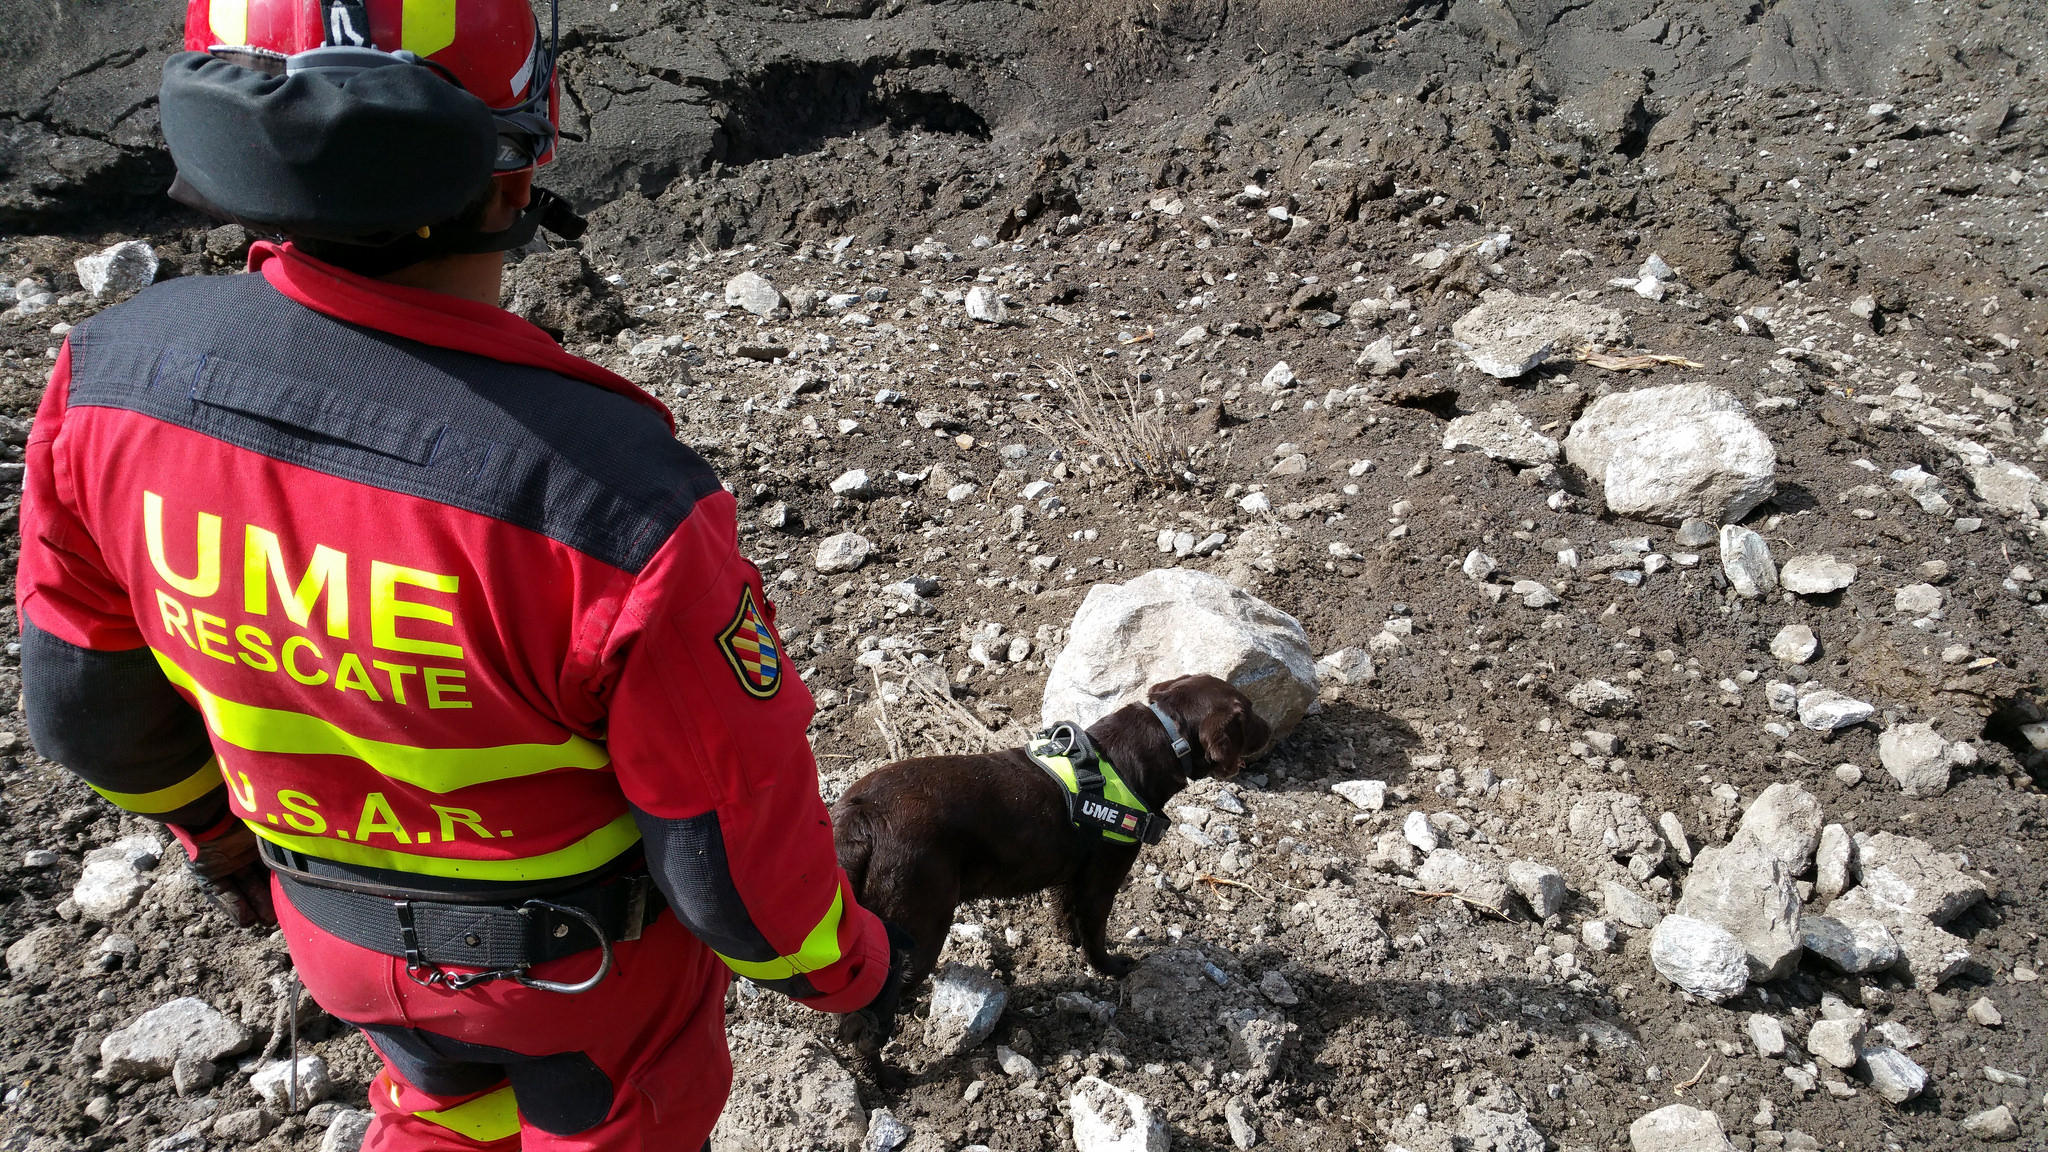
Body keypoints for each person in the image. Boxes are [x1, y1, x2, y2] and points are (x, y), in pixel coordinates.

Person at [16, 0, 906, 1146]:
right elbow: (728, 868)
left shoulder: (103, 379)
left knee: (437, 1113)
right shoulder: (614, 502)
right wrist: (847, 967)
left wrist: (221, 843)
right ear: (514, 174)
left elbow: (84, 707)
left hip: (336, 938)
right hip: (584, 987)